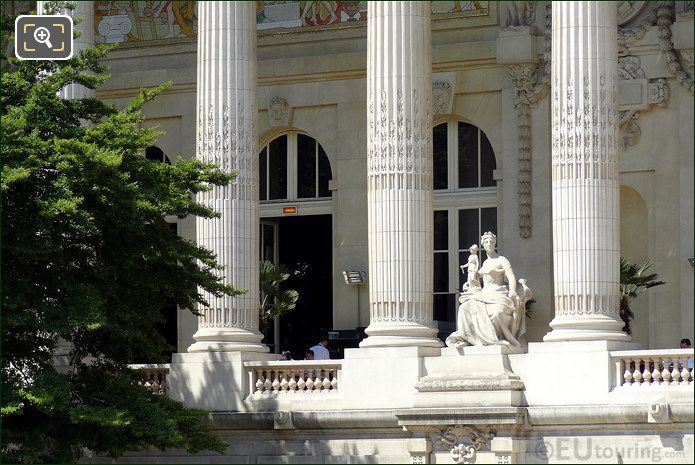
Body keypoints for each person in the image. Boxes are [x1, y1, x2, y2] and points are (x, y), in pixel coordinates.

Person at [446, 231, 532, 350]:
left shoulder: (502, 259)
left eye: (491, 241)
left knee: (497, 313)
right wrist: (471, 280)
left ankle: (494, 339)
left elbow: (511, 277)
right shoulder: (485, 262)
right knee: (463, 308)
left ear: (495, 243)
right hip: (484, 294)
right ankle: (468, 338)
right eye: (486, 242)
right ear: (483, 244)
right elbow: (477, 277)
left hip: (499, 294)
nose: (489, 244)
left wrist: (512, 290)